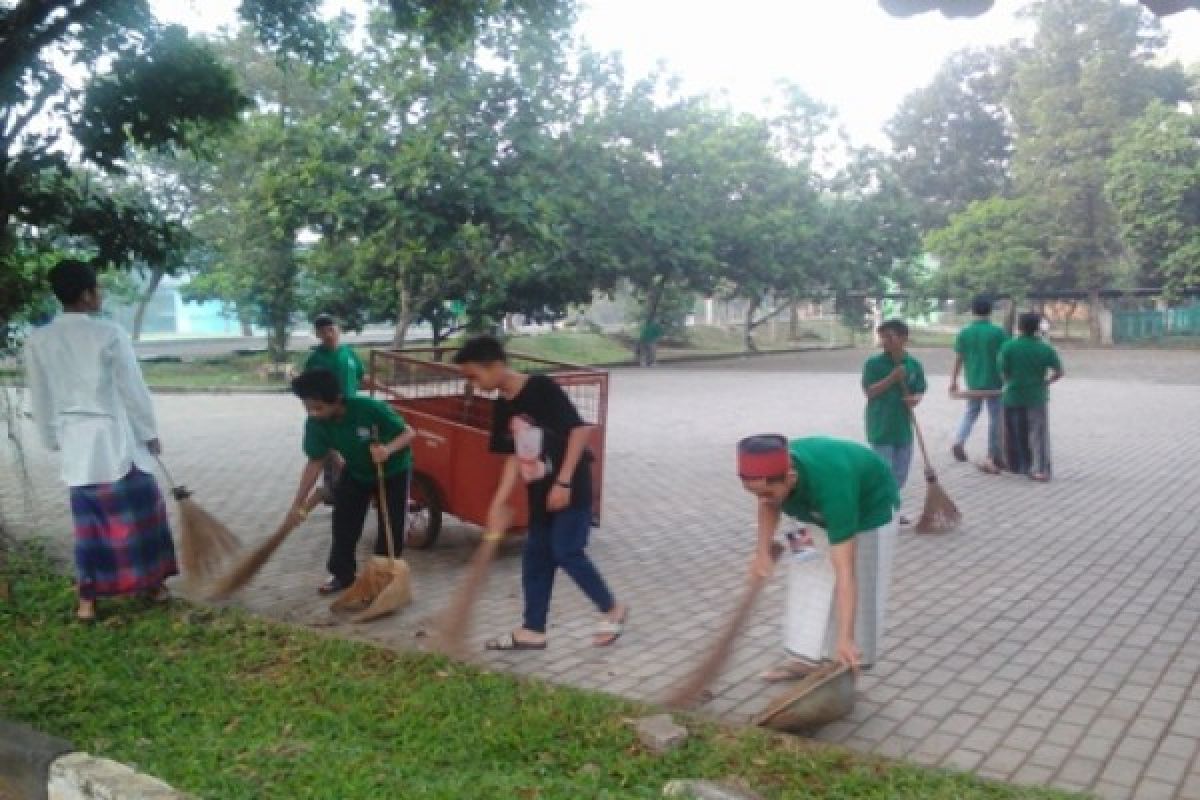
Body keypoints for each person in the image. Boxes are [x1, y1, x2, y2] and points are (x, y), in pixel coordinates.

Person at [24, 259, 178, 622]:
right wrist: (149, 432)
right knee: (143, 515)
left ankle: (87, 602)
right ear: (86, 294)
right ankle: (154, 584)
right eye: (97, 289)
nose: (101, 295)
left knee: (90, 526)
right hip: (116, 440)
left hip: (77, 445)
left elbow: (40, 395)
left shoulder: (38, 340)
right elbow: (132, 389)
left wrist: (49, 437)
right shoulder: (109, 334)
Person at [453, 335, 627, 650]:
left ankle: (612, 608)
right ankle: (533, 629)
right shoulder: (502, 406)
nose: (472, 384)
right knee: (535, 558)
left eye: (473, 376)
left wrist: (563, 482)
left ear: (495, 366)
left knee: (566, 551)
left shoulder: (541, 388)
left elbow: (579, 430)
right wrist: (499, 502)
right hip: (539, 491)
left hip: (570, 486)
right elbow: (512, 457)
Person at [740, 434, 900, 678]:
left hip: (868, 511)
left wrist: (845, 637)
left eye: (767, 492)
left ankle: (847, 655)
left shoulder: (834, 487)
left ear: (791, 477)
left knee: (852, 578)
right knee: (806, 572)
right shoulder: (774, 478)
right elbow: (768, 504)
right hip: (807, 513)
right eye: (754, 494)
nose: (762, 500)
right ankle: (802, 658)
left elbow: (846, 572)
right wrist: (761, 552)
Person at [285, 368, 415, 595]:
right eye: (308, 408)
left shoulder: (368, 408)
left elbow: (409, 433)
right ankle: (342, 574)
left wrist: (387, 450)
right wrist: (298, 503)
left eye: (318, 408)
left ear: (335, 400)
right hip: (356, 472)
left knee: (390, 526)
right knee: (344, 523)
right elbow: (314, 462)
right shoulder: (316, 424)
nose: (314, 413)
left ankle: (384, 576)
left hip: (392, 471)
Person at [861, 319, 926, 524]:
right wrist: (892, 378)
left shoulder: (914, 365)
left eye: (890, 337)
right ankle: (884, 511)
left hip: (903, 426)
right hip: (881, 425)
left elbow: (919, 389)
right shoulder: (874, 364)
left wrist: (915, 399)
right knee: (883, 472)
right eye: (882, 337)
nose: (884, 342)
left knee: (900, 473)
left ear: (904, 338)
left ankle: (890, 507)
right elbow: (870, 392)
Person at [304, 315, 368, 504]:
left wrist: (383, 386)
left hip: (352, 412)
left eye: (331, 329)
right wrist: (314, 411)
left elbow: (361, 376)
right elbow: (308, 389)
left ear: (338, 329)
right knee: (333, 455)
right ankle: (336, 494)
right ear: (317, 334)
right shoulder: (316, 359)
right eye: (323, 331)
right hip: (330, 414)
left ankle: (353, 491)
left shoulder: (349, 353)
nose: (328, 334)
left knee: (356, 450)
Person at [999, 312, 1064, 482]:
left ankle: (1018, 466)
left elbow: (1003, 372)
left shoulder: (1008, 347)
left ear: (1019, 327)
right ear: (1037, 328)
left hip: (1013, 395)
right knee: (1037, 433)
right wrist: (1046, 382)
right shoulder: (1045, 348)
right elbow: (1059, 372)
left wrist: (1011, 382)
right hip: (1036, 396)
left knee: (1015, 431)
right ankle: (1039, 469)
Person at [949, 296, 1008, 473]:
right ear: (990, 311)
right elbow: (1005, 358)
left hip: (973, 380)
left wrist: (953, 379)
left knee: (971, 412)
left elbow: (959, 358)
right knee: (995, 418)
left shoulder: (964, 333)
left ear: (973, 310)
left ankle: (959, 440)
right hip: (995, 381)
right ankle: (993, 454)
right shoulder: (998, 332)